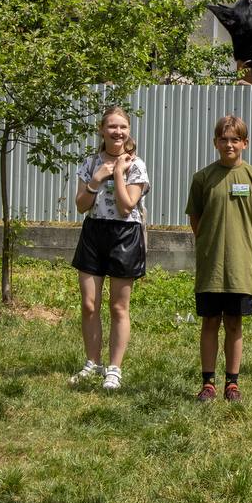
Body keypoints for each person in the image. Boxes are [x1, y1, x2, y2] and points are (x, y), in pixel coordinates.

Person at [185, 115, 252, 403]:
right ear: (215, 142)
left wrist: (239, 241)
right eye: (224, 139)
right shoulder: (202, 178)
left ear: (245, 143)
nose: (229, 144)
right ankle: (208, 383)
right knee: (210, 321)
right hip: (211, 266)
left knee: (234, 323)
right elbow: (196, 219)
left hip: (239, 267)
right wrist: (211, 242)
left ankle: (232, 384)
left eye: (235, 139)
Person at [70, 106, 150, 391]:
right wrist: (97, 177)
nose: (118, 132)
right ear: (102, 130)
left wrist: (117, 174)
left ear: (129, 131)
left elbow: (127, 206)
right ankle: (92, 363)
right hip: (94, 233)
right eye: (112, 126)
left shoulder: (136, 165)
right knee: (89, 304)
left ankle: (114, 369)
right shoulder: (90, 162)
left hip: (125, 235)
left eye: (123, 127)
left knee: (118, 307)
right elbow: (81, 206)